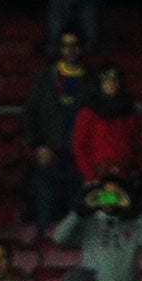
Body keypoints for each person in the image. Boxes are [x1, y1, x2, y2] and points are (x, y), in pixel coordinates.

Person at [23, 32, 94, 227]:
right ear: (59, 48)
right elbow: (31, 113)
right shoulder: (45, 76)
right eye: (65, 45)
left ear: (82, 47)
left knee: (78, 221)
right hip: (50, 158)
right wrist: (37, 145)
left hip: (80, 161)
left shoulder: (92, 78)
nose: (70, 50)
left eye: (75, 45)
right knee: (45, 218)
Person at [70, 65, 142, 187]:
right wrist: (91, 176)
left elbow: (138, 145)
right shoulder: (88, 112)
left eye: (115, 78)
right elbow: (79, 146)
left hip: (125, 175)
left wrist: (136, 170)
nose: (111, 82)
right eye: (106, 79)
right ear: (99, 83)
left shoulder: (129, 111)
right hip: (96, 177)